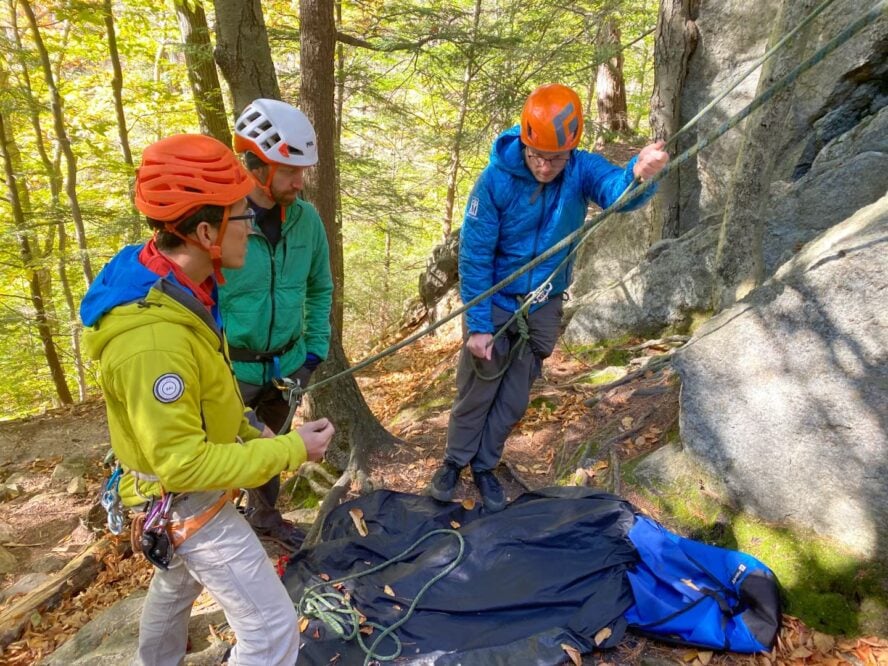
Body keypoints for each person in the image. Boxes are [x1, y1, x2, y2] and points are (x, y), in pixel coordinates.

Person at [80, 134, 335, 665]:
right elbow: (183, 463)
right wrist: (290, 450)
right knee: (271, 631)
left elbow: (206, 394)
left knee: (175, 589)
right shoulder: (152, 341)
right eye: (241, 216)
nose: (252, 227)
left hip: (179, 496)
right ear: (204, 232)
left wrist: (247, 430)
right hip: (187, 500)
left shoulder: (180, 285)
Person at [429, 84, 669, 512]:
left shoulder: (578, 170)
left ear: (570, 151)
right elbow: (476, 254)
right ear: (524, 142)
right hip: (496, 299)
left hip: (544, 302)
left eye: (555, 158)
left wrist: (639, 173)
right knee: (477, 388)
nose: (544, 166)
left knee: (515, 395)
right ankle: (453, 462)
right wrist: (479, 325)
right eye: (537, 155)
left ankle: (485, 466)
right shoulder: (495, 182)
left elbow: (616, 191)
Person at [218, 98, 334, 551]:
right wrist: (217, 374)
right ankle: (220, 532)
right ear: (258, 166)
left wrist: (312, 355)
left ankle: (265, 518)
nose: (300, 182)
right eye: (290, 171)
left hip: (286, 364)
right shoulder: (223, 221)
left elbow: (320, 288)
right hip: (234, 370)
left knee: (274, 447)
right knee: (227, 453)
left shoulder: (306, 221)